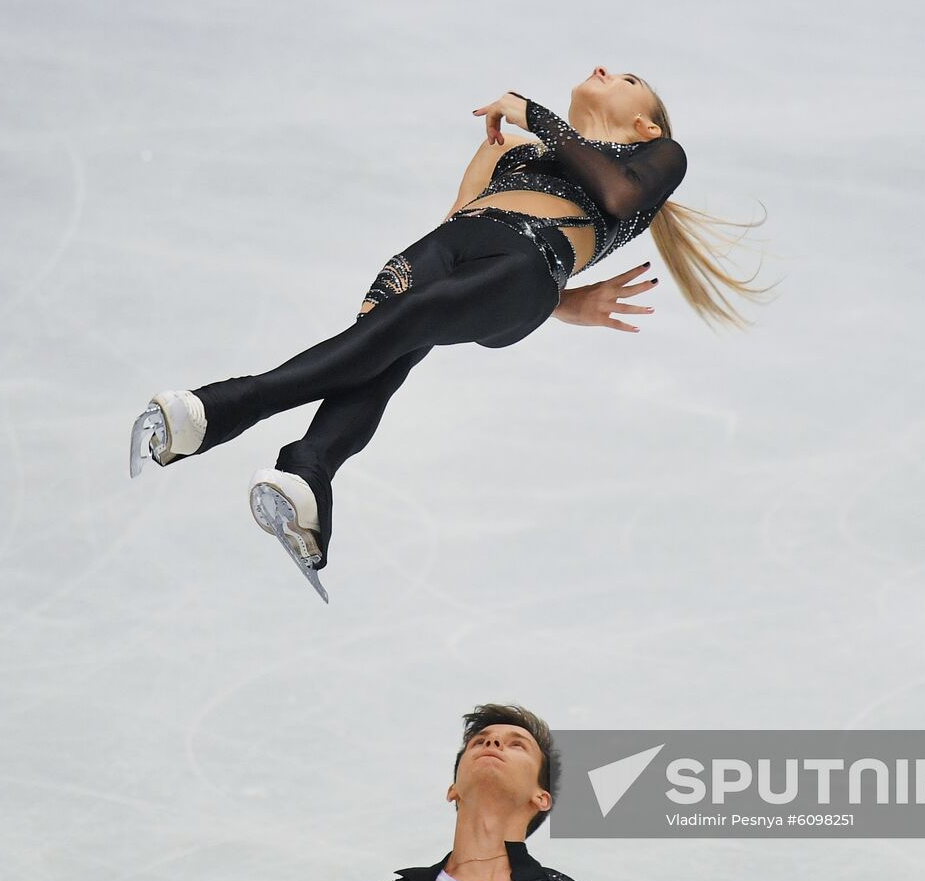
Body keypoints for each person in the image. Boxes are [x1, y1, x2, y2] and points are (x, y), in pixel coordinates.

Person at [129, 66, 777, 601]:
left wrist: (535, 113)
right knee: (389, 340)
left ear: (646, 122)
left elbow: (613, 199)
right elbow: (459, 217)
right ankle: (308, 476)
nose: (606, 69)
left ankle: (220, 409)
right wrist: (569, 305)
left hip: (524, 266)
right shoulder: (511, 150)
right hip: (443, 253)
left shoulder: (655, 156)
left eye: (628, 77)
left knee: (408, 322)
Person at [340, 703, 630, 881]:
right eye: (478, 741)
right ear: (453, 789)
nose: (492, 742)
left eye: (517, 745)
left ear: (541, 797)